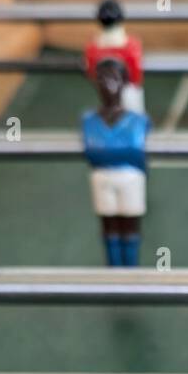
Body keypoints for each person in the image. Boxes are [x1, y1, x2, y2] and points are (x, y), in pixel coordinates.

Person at [80, 57, 151, 266]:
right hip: (102, 177)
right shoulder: (88, 121)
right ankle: (113, 270)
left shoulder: (138, 121)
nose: (107, 84)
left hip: (130, 177)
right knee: (108, 225)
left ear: (125, 83)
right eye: (101, 78)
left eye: (114, 78)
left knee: (129, 225)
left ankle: (130, 270)